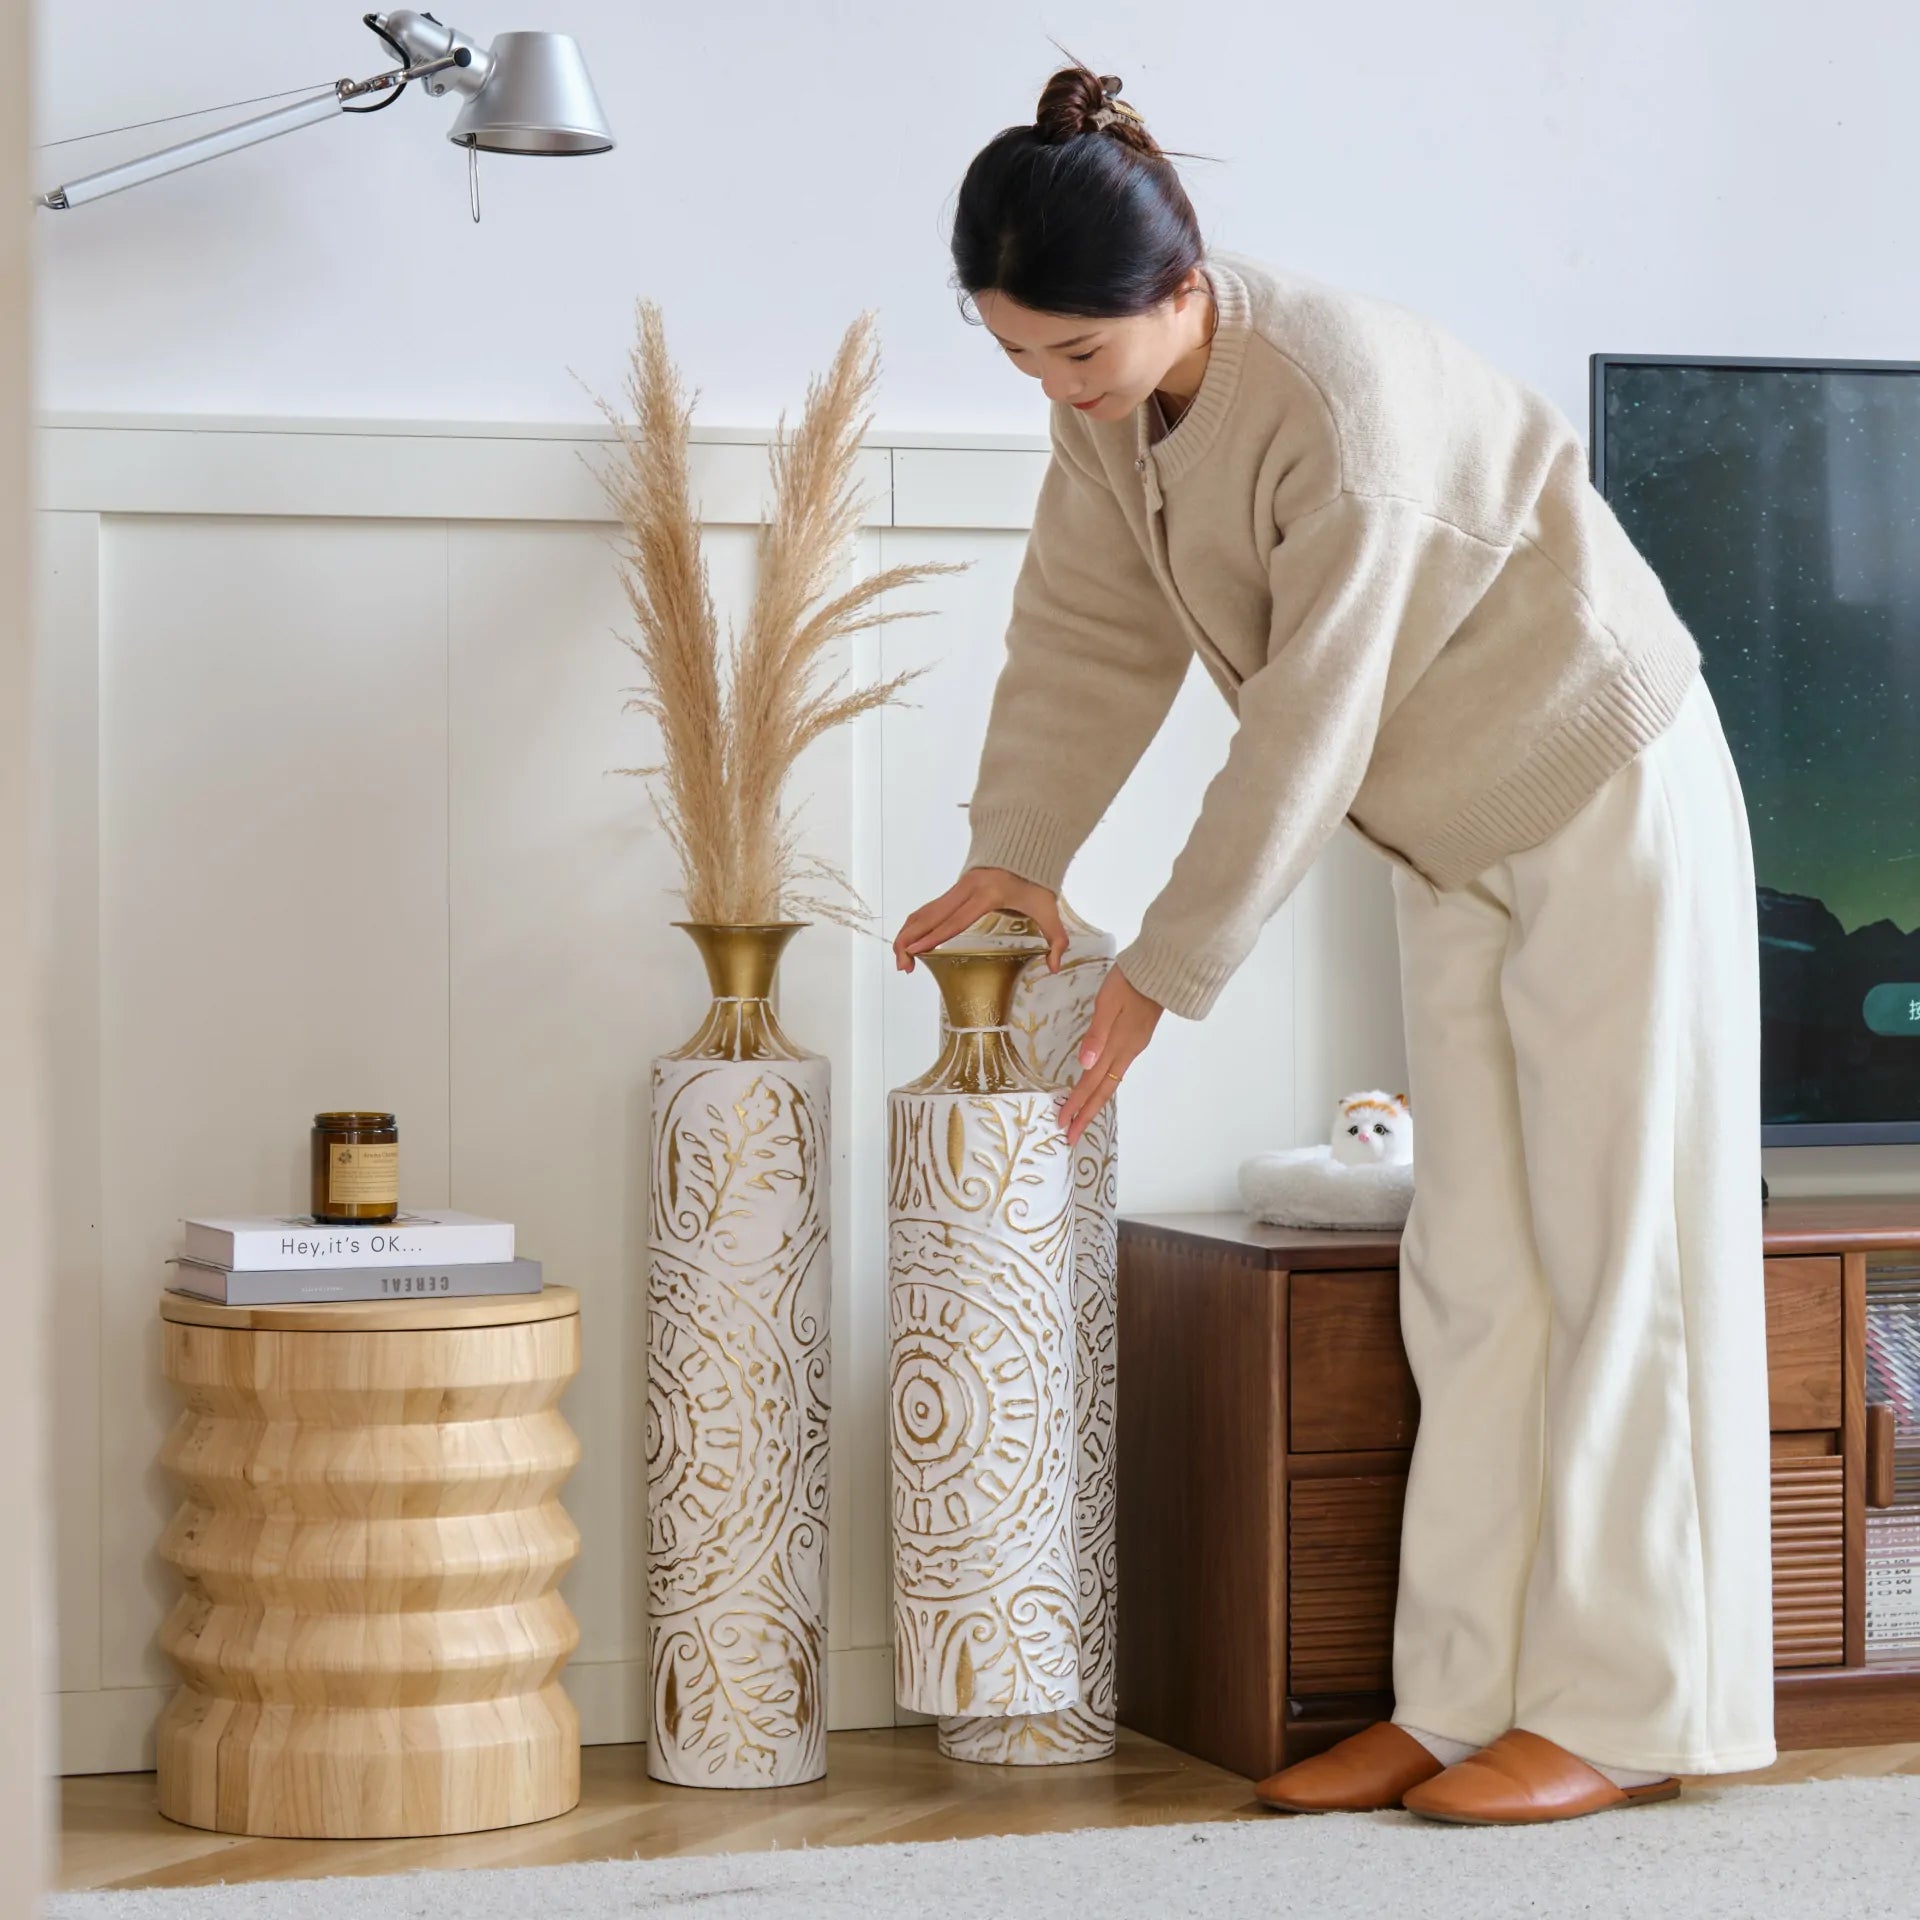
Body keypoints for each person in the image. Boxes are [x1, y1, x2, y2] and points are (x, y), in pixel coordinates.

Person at [891, 62, 1776, 1826]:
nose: (1055, 391)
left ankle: (1624, 1707)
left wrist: (1156, 976)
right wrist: (1015, 857)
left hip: (1603, 788)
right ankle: (1458, 1703)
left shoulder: (1341, 417)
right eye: (1017, 360)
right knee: (1475, 1274)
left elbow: (1306, 723)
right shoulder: (1119, 403)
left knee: (1628, 1263)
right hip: (1449, 832)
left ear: (1182, 288)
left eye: (1074, 354)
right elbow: (1082, 624)